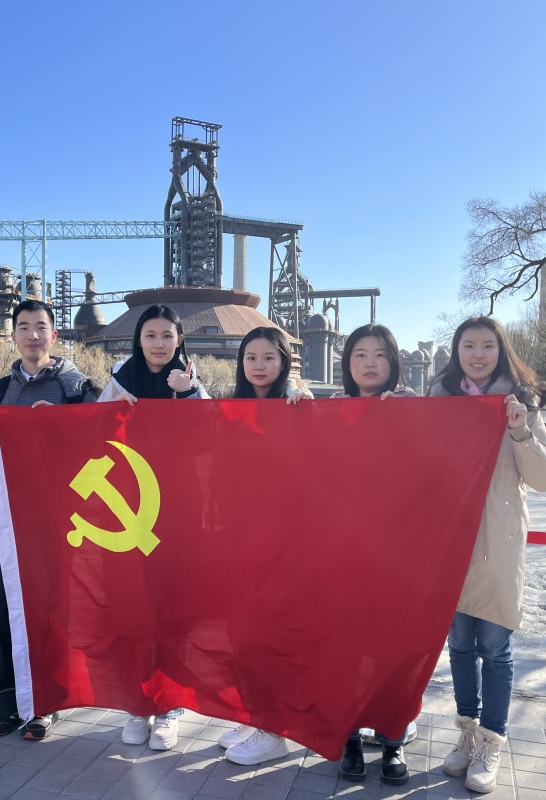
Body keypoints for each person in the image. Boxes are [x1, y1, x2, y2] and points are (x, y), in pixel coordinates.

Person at [0, 299, 98, 741]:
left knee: (48, 610)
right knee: (1, 609)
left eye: (40, 327)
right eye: (24, 327)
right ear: (13, 335)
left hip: (54, 519)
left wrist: (62, 425)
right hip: (0, 517)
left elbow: (100, 445)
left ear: (54, 335)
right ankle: (7, 703)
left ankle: (46, 703)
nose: (32, 335)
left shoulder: (78, 388)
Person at [429, 316, 546, 794]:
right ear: (456, 351)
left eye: (487, 345)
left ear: (500, 351)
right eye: (469, 345)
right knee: (460, 644)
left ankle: (491, 743)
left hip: (499, 544)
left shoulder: (520, 403)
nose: (478, 354)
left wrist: (521, 431)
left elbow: (545, 480)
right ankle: (466, 734)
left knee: (496, 648)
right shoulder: (439, 401)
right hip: (450, 542)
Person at [98, 304, 209, 751]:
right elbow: (90, 438)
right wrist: (109, 413)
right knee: (134, 608)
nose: (159, 344)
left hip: (179, 510)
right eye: (150, 335)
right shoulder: (119, 381)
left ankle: (170, 706)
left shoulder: (191, 380)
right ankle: (136, 703)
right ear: (138, 340)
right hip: (130, 509)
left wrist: (188, 394)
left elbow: (211, 437)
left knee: (174, 609)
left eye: (167, 335)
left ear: (179, 339)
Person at [217, 325, 311, 767]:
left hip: (283, 543)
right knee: (241, 634)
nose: (259, 365)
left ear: (284, 362)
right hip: (240, 540)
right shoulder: (231, 409)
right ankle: (254, 714)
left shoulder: (296, 407)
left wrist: (300, 398)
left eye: (269, 357)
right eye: (251, 357)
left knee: (270, 636)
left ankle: (275, 730)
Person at [331, 324, 417, 784]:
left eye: (379, 354)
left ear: (394, 362)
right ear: (347, 363)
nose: (369, 363)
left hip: (396, 553)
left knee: (393, 650)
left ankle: (392, 740)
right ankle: (347, 736)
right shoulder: (332, 409)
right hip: (342, 552)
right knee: (344, 648)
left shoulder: (412, 409)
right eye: (359, 354)